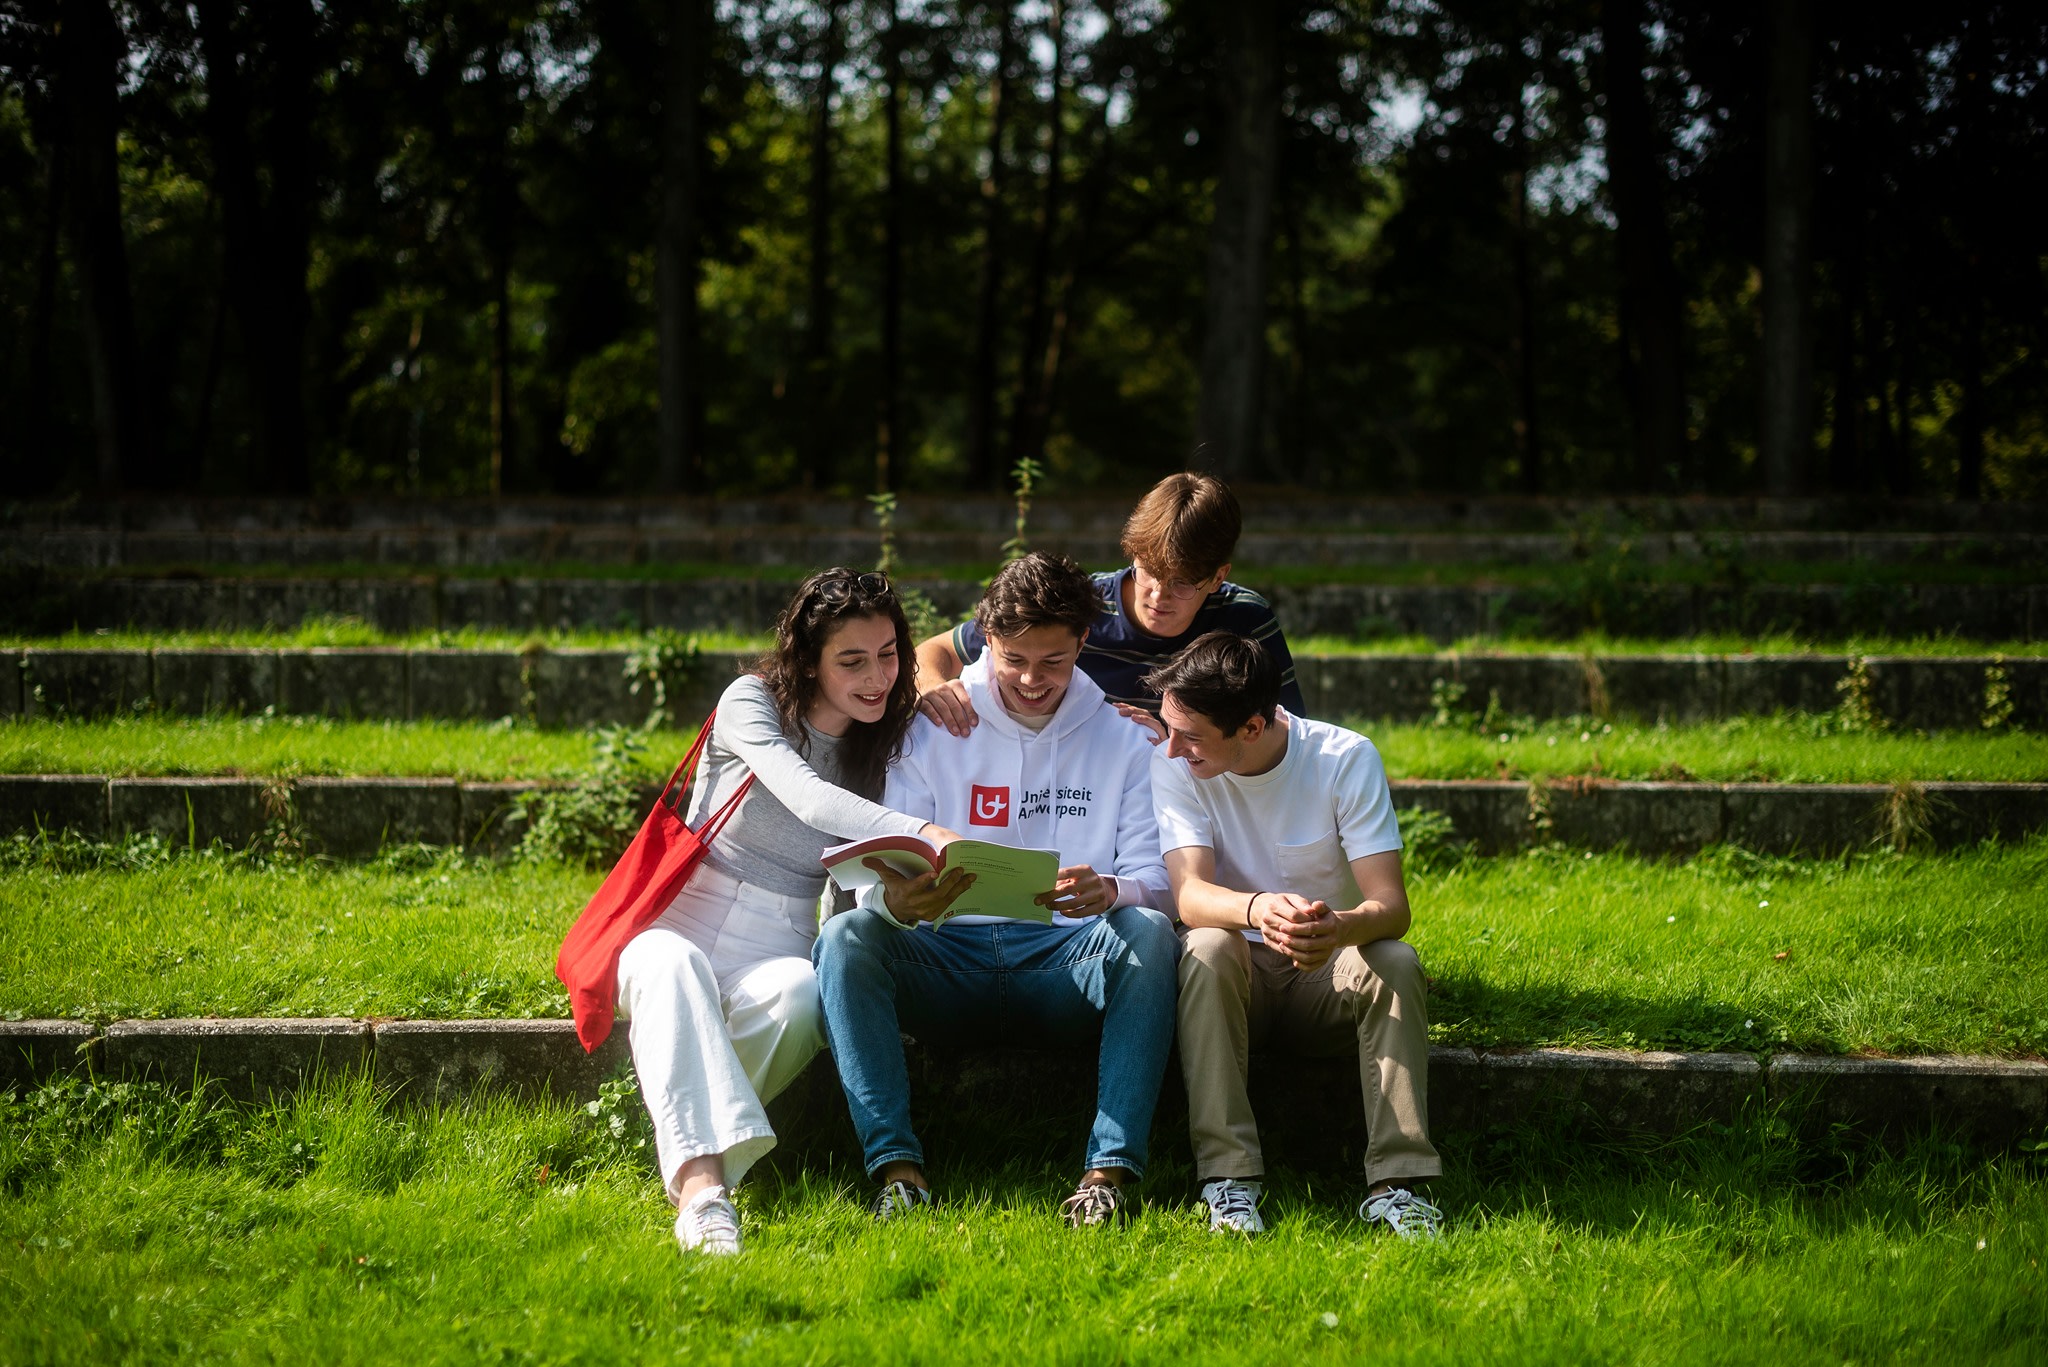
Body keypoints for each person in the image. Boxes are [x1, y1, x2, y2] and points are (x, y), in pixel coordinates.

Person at [812, 552, 1180, 1228]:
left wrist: (1113, 890)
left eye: (1054, 661)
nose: (1033, 680)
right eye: (1015, 660)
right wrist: (899, 902)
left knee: (1151, 934)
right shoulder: (932, 723)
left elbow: (1158, 885)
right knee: (845, 937)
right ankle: (897, 1171)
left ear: (1083, 643)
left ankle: (1106, 1175)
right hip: (945, 957)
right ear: (986, 638)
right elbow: (882, 875)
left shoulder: (1126, 739)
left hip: (1066, 961)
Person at [610, 568, 961, 1256]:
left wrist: (901, 902)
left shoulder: (884, 743)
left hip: (783, 936)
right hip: (682, 917)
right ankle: (704, 1195)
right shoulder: (751, 701)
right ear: (808, 660)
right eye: (851, 660)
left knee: (804, 994)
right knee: (671, 964)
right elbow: (806, 796)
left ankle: (686, 1147)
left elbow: (858, 890)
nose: (876, 677)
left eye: (888, 654)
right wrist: (924, 831)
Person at [1143, 631, 1444, 1240]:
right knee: (1205, 944)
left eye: (1191, 735)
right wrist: (1257, 909)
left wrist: (1338, 928)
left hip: (1324, 972)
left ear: (1252, 727)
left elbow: (1391, 907)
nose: (1171, 747)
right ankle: (1227, 1179)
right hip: (1237, 978)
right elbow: (1190, 896)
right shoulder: (1173, 764)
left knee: (1396, 961)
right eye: (1169, 727)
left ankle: (1399, 1185)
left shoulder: (1344, 757)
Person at [913, 472, 1305, 737]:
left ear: (1218, 577)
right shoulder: (1078, 603)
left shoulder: (1246, 619)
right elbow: (933, 651)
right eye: (1148, 571)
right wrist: (934, 689)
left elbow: (1287, 730)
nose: (1158, 595)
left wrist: (1177, 741)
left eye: (1182, 583)